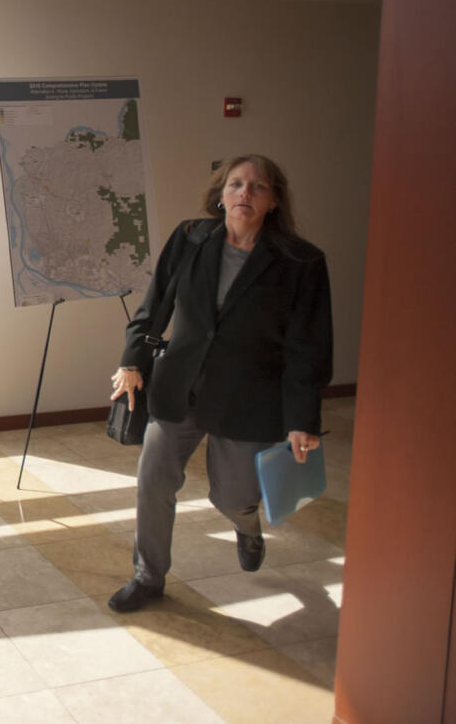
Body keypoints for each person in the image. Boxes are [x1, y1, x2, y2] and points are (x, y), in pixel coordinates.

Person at [107, 154, 333, 613]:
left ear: (273, 201)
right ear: (220, 194)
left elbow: (309, 347)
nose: (244, 194)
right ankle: (148, 577)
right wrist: (133, 360)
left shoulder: (300, 261)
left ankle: (247, 527)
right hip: (180, 386)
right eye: (235, 184)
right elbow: (155, 305)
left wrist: (301, 419)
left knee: (233, 497)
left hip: (248, 398)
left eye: (257, 187)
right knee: (153, 480)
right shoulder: (191, 237)